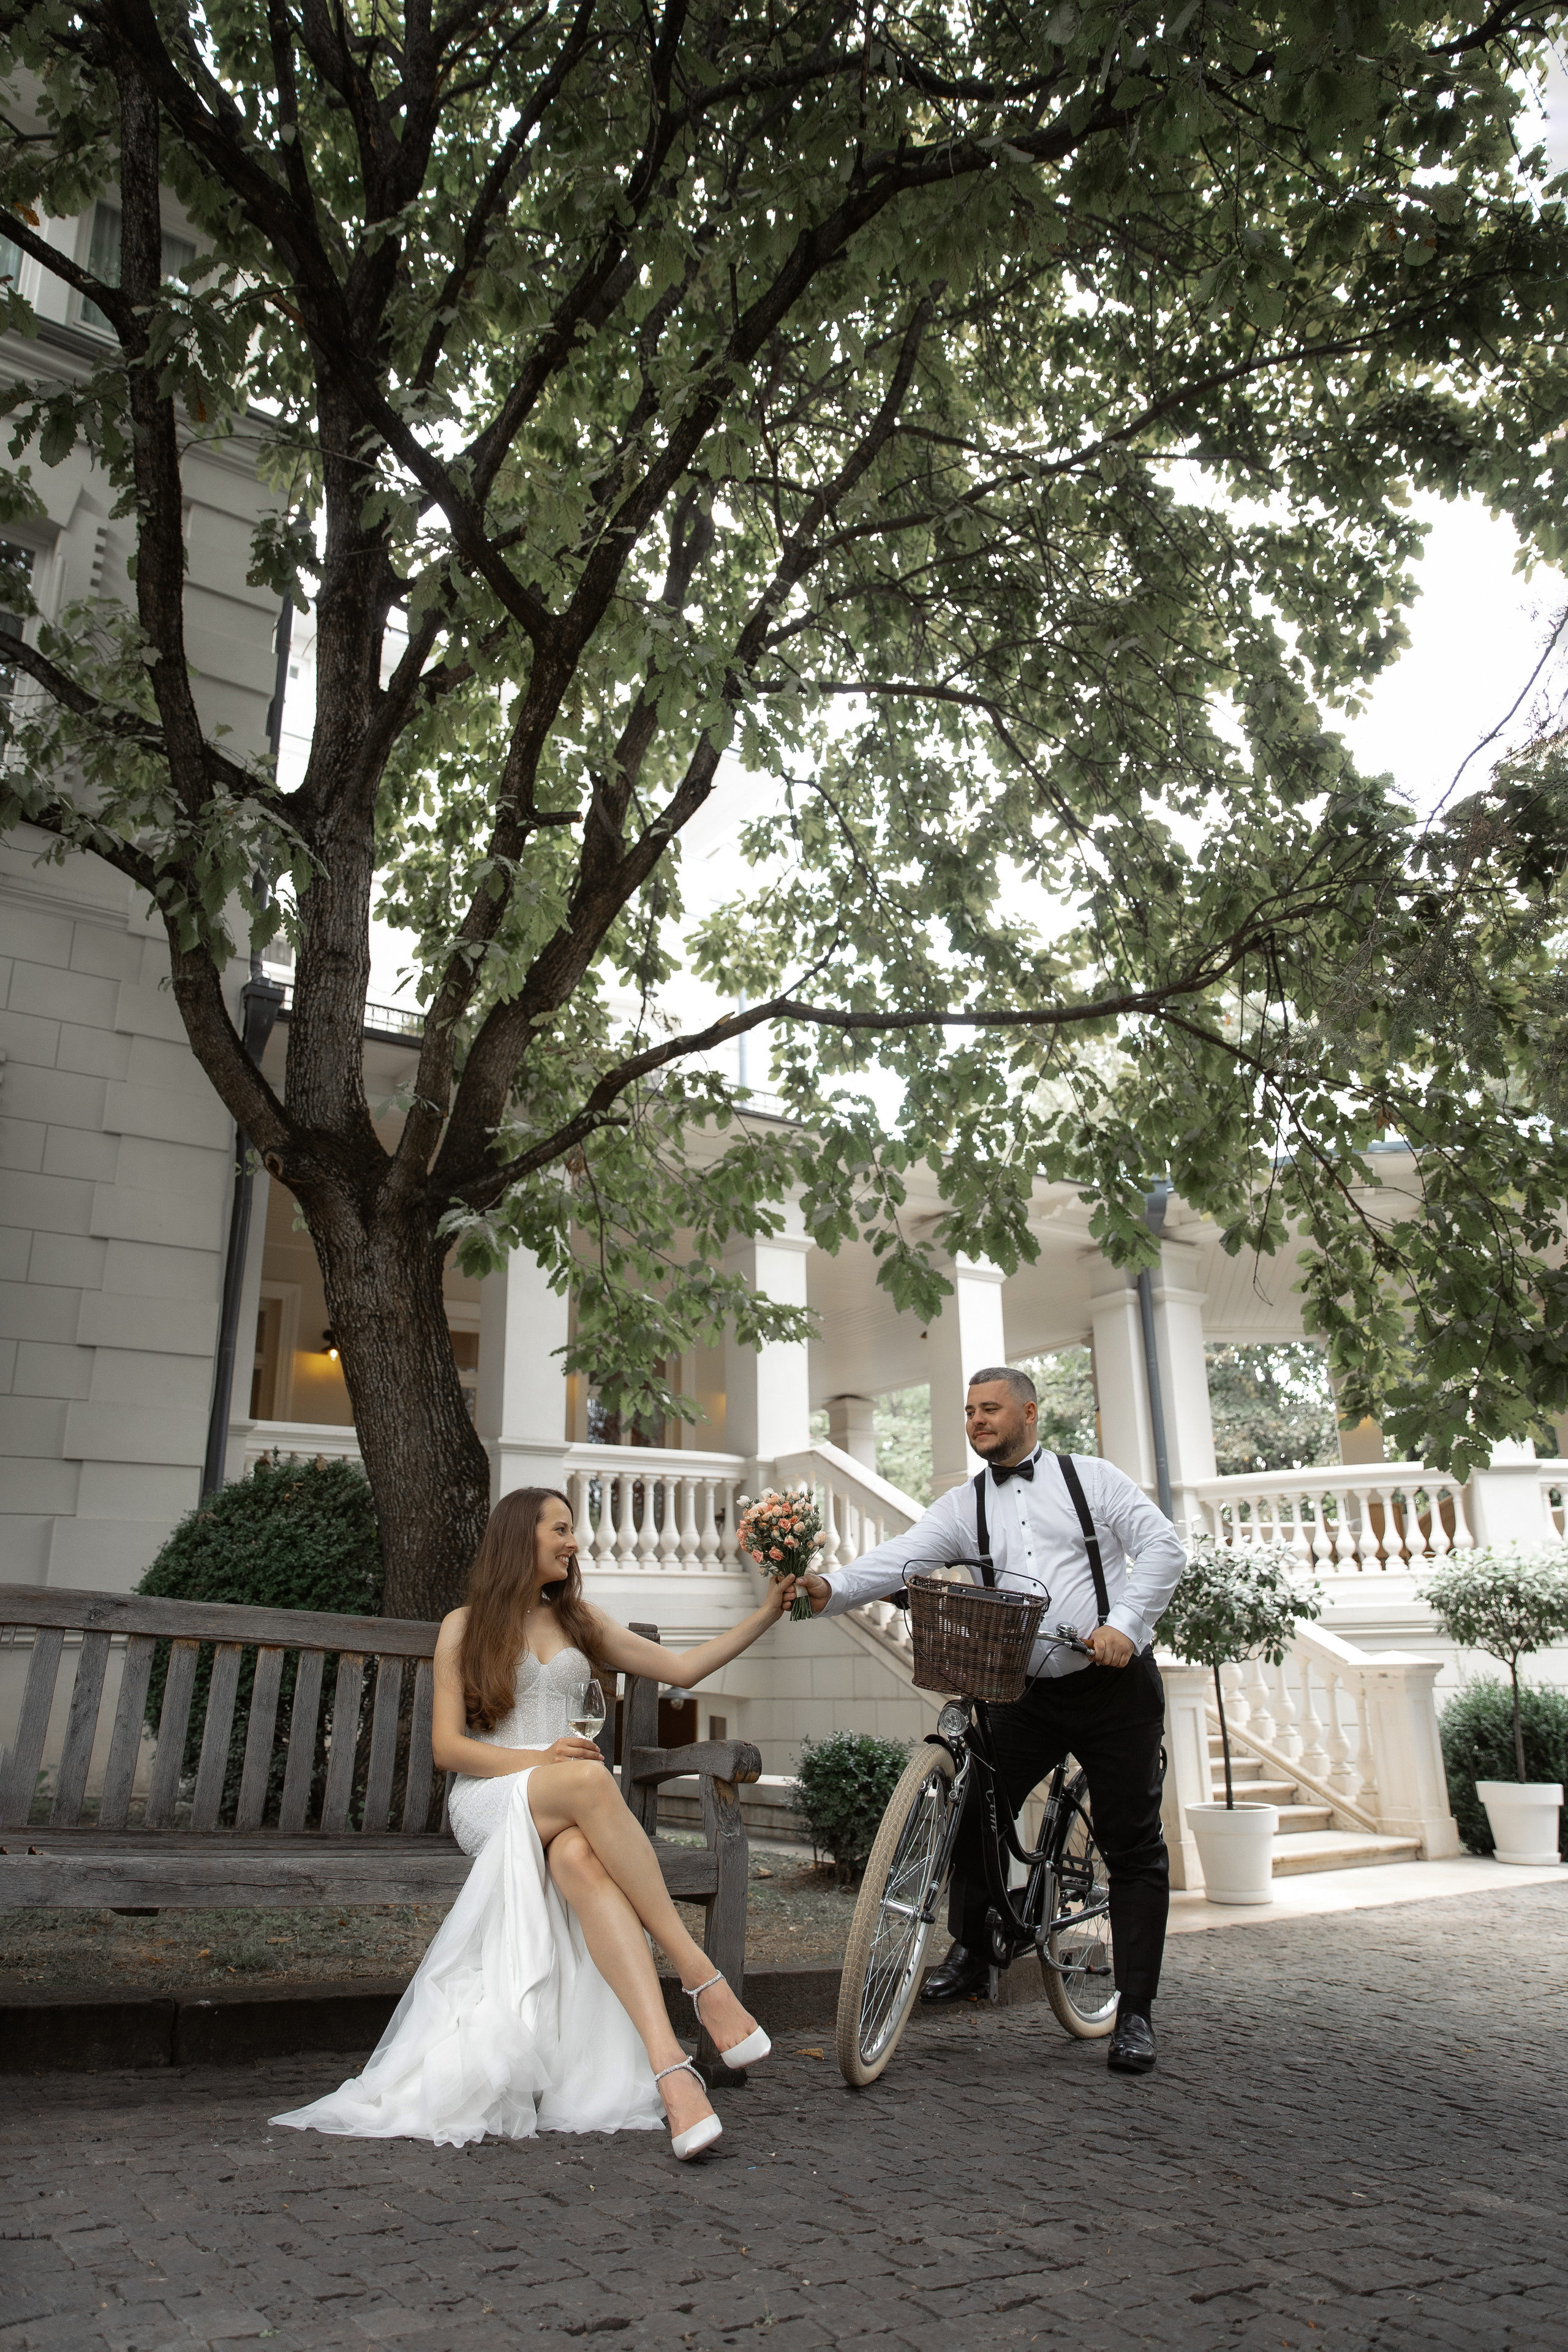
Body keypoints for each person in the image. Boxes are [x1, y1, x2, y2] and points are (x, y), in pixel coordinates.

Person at [273, 1485, 791, 2156]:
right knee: (582, 1776)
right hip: (491, 1798)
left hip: (570, 1808)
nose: (574, 1542)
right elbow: (448, 1749)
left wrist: (769, 1611)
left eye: (572, 1531)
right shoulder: (465, 1625)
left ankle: (671, 2074)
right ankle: (701, 1978)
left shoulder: (580, 1621)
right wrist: (537, 1758)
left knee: (578, 1856)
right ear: (521, 1536)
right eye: (561, 1529)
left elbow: (684, 1666)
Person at [797, 1366, 1185, 2075]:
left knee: (1132, 1848)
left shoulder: (1091, 1480)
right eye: (970, 1410)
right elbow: (897, 1560)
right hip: (1023, 1692)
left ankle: (1134, 2012)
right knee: (970, 1803)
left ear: (1029, 1413)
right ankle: (975, 1951)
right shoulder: (963, 1505)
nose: (977, 1420)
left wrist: (1125, 1624)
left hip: (1112, 1688)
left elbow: (1163, 1547)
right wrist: (827, 1589)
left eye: (991, 1409)